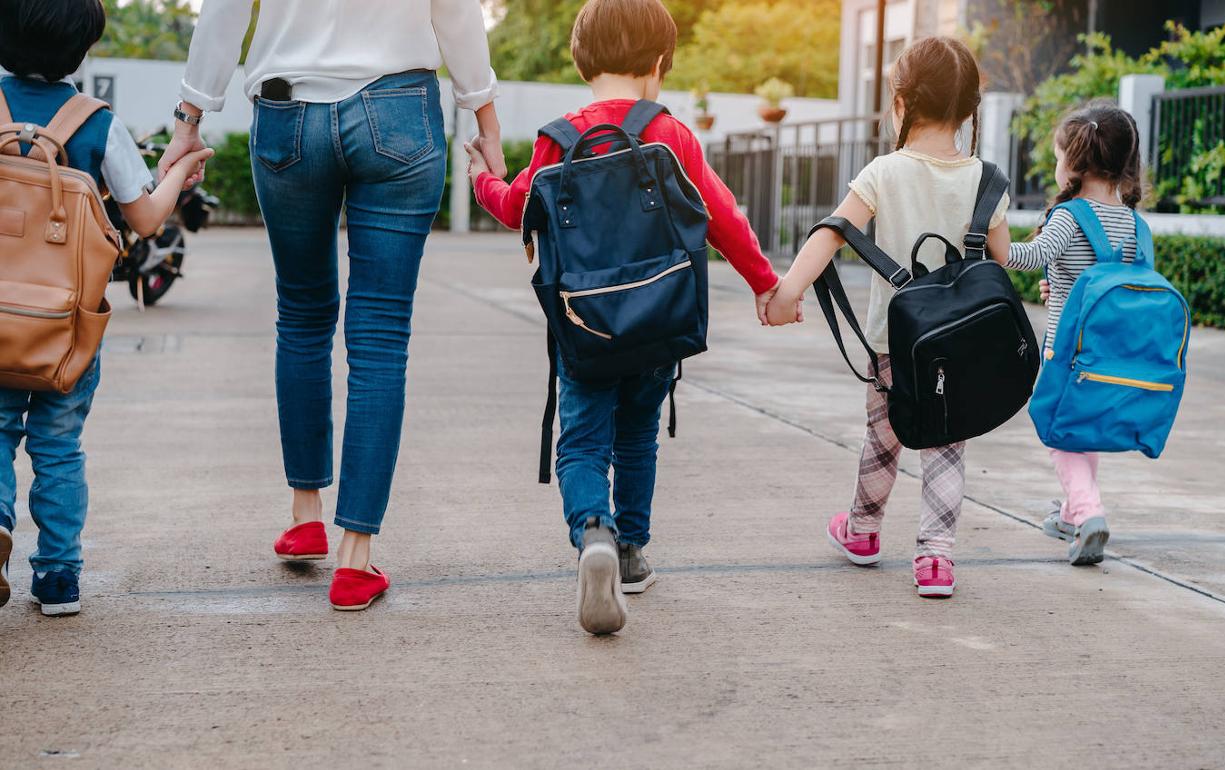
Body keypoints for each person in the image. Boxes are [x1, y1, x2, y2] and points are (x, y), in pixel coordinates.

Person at [161, 0, 504, 611]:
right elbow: (454, 11)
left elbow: (225, 11)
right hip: (400, 111)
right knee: (379, 335)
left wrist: (189, 118)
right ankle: (355, 559)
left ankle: (305, 516)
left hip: (288, 112)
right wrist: (485, 117)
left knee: (302, 315)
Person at [466, 0, 779, 633]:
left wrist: (481, 178)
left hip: (584, 327)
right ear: (660, 64)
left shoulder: (560, 138)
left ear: (582, 61)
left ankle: (594, 533)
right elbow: (723, 218)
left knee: (582, 441)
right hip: (660, 322)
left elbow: (515, 208)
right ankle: (632, 553)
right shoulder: (670, 134)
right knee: (637, 435)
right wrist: (767, 284)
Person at [765, 37, 1010, 598]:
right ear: (971, 110)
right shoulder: (987, 181)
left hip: (894, 343)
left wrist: (788, 292)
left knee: (883, 438)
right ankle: (936, 561)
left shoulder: (883, 171)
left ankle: (864, 531)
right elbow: (1000, 262)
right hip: (962, 346)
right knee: (948, 442)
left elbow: (833, 231)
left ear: (899, 103)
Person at [0, 0, 213, 615]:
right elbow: (145, 219)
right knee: (59, 446)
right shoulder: (96, 123)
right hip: (65, 328)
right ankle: (58, 577)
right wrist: (181, 171)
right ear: (82, 50)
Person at [997, 102, 1144, 565]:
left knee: (1058, 431)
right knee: (1083, 429)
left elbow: (1026, 256)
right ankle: (1069, 514)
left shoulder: (1069, 216)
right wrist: (1057, 284)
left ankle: (1089, 510)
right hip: (1110, 349)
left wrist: (991, 232)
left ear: (1074, 163)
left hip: (1067, 349)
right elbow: (1106, 278)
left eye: (1059, 156)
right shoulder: (1132, 220)